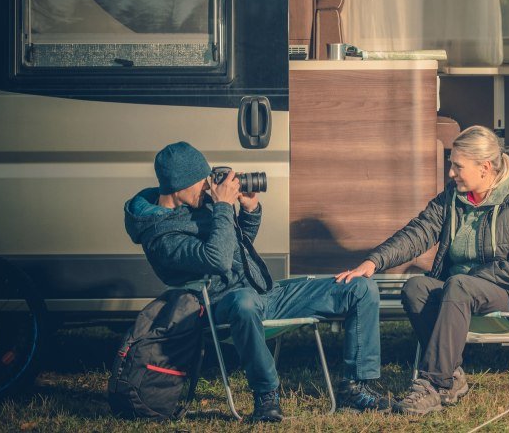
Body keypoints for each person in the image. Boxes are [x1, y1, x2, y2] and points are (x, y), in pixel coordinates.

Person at [124, 142, 389, 422]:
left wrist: (249, 210)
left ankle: (355, 387)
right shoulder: (161, 235)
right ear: (179, 185)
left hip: (265, 293)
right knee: (244, 301)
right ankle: (266, 394)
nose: (207, 187)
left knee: (360, 288)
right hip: (221, 305)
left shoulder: (200, 206)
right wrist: (224, 206)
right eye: (202, 182)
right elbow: (217, 259)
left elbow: (237, 247)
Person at [336, 126, 509, 415]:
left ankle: (433, 385)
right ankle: (452, 375)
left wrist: (469, 278)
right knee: (415, 288)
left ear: (484, 168)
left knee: (458, 284)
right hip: (459, 291)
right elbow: (418, 233)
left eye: (457, 166)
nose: (451, 172)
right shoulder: (452, 199)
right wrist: (373, 262)